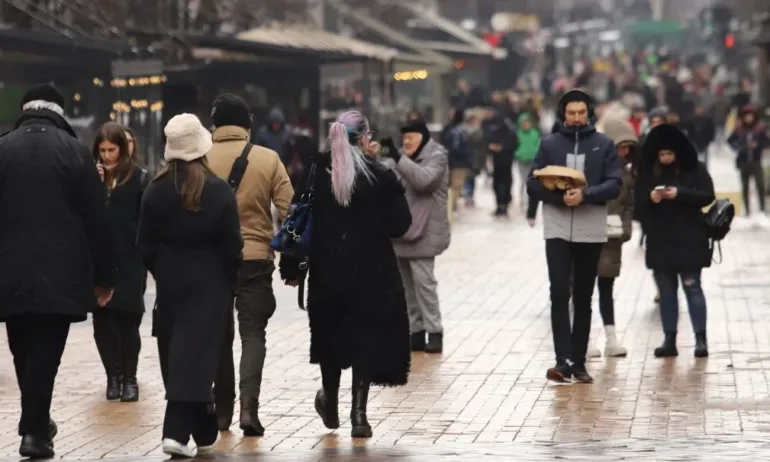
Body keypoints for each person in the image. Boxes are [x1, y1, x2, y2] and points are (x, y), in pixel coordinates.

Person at [280, 110, 412, 439]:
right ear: (364, 137)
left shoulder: (314, 172)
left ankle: (330, 401)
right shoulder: (379, 176)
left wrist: (291, 265)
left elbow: (297, 219)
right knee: (364, 339)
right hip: (372, 272)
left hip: (328, 272)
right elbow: (401, 224)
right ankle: (359, 414)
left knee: (331, 338)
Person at [0, 83, 115, 458]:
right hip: (61, 270)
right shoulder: (76, 152)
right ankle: (34, 430)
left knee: (22, 349)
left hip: (9, 268)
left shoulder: (3, 148)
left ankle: (35, 422)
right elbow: (97, 218)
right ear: (60, 112)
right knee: (47, 352)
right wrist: (104, 276)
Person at [138, 113, 243, 458]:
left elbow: (144, 245)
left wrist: (161, 269)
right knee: (195, 355)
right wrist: (230, 278)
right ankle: (176, 431)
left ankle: (203, 425)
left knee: (181, 352)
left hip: (170, 279)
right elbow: (232, 246)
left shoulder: (154, 190)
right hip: (210, 280)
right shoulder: (218, 191)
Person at [206, 93, 294, 435]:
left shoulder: (198, 159)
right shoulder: (268, 158)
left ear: (215, 124)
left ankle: (221, 411)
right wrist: (292, 258)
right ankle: (248, 408)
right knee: (252, 333)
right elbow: (291, 214)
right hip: (255, 258)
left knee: (218, 336)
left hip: (211, 261)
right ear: (247, 123)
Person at [526, 89, 622, 384]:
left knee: (583, 295)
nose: (577, 118)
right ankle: (562, 360)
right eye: (571, 113)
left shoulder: (604, 144)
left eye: (581, 113)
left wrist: (586, 195)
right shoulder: (550, 144)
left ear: (589, 113)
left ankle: (579, 362)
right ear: (563, 115)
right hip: (556, 228)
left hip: (590, 229)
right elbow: (532, 182)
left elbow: (616, 183)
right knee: (558, 292)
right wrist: (557, 195)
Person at [636, 124, 715, 358]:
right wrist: (651, 198)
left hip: (690, 239)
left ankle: (701, 338)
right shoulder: (649, 174)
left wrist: (680, 193)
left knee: (693, 288)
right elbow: (638, 207)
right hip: (661, 241)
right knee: (667, 293)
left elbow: (708, 195)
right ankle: (669, 338)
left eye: (669, 154)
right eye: (662, 154)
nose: (665, 158)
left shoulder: (695, 169)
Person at [91, 122, 149, 402]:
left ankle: (130, 377)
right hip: (99, 259)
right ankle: (112, 376)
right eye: (102, 150)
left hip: (129, 260)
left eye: (111, 150)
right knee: (102, 321)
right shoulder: (92, 176)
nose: (107, 156)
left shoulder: (139, 178)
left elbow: (145, 220)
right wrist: (94, 182)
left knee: (128, 322)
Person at [381, 118, 451, 354]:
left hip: (425, 233)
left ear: (423, 138)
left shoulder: (438, 157)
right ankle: (416, 331)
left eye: (411, 138)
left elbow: (424, 181)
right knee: (406, 287)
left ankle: (435, 332)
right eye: (404, 139)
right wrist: (372, 157)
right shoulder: (399, 158)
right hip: (401, 231)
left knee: (424, 285)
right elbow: (381, 179)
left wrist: (398, 158)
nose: (407, 142)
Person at [587, 118, 638, 358]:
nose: (624, 152)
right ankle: (585, 340)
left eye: (628, 148)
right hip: (588, 234)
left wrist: (626, 227)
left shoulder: (629, 174)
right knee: (583, 289)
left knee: (606, 288)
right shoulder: (594, 168)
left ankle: (611, 339)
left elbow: (628, 204)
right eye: (621, 147)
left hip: (613, 237)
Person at [728, 105, 768, 217]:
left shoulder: (759, 129)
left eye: (751, 116)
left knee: (760, 185)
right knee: (745, 186)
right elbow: (730, 140)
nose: (749, 118)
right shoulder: (739, 129)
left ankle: (762, 208)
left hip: (756, 161)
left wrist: (758, 145)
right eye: (747, 116)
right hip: (743, 161)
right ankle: (747, 210)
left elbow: (766, 141)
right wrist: (740, 147)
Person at [487, 113, 518, 217]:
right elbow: (488, 144)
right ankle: (500, 205)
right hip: (498, 163)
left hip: (506, 163)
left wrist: (502, 148)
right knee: (498, 184)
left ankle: (503, 205)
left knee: (505, 184)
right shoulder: (495, 132)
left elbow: (514, 145)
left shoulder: (510, 133)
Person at [441, 108, 472, 212]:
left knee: (452, 186)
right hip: (458, 162)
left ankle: (451, 207)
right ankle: (451, 207)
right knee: (456, 186)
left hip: (451, 161)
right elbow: (457, 147)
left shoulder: (449, 129)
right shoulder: (459, 131)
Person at [515, 112, 541, 211]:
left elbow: (538, 145)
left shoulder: (535, 133)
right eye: (524, 123)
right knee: (523, 180)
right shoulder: (518, 134)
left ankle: (530, 200)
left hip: (532, 160)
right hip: (521, 160)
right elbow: (514, 146)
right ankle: (521, 200)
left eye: (527, 122)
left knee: (530, 180)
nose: (526, 125)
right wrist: (518, 154)